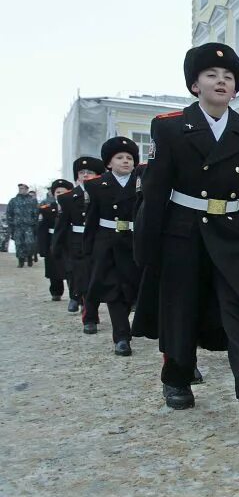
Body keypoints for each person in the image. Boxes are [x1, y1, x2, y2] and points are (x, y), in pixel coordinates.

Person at [134, 42, 239, 428]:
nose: (221, 82)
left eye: (229, 78)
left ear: (236, 90)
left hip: (233, 234)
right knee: (180, 307)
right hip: (182, 232)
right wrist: (147, 248)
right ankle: (177, 377)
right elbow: (155, 190)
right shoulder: (170, 127)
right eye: (211, 76)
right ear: (195, 84)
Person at [83, 137, 142, 356]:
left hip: (135, 242)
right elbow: (91, 220)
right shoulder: (96, 185)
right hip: (108, 243)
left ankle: (129, 327)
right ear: (109, 163)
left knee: (131, 289)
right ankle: (122, 337)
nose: (125, 161)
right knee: (114, 290)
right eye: (119, 158)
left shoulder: (143, 181)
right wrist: (88, 249)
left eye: (129, 158)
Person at [52, 157, 105, 324]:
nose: (86, 176)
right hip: (78, 243)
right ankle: (89, 316)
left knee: (97, 279)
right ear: (77, 176)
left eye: (90, 172)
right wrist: (57, 247)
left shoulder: (104, 192)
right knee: (83, 278)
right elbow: (62, 225)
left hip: (98, 240)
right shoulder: (67, 198)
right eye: (82, 173)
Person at [37, 179, 74, 301]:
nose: (61, 194)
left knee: (71, 270)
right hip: (52, 241)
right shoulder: (46, 209)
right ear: (53, 194)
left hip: (69, 241)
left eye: (64, 192)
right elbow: (42, 231)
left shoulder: (75, 207)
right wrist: (42, 248)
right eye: (58, 192)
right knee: (54, 270)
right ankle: (56, 291)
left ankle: (74, 295)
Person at [7, 183, 38, 267]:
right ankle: (20, 261)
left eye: (23, 188)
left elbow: (36, 214)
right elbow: (9, 213)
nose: (21, 190)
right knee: (19, 243)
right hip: (17, 226)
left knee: (29, 243)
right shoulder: (13, 201)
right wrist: (11, 225)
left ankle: (29, 257)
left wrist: (35, 224)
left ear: (27, 190)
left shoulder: (32, 200)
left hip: (29, 226)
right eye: (20, 188)